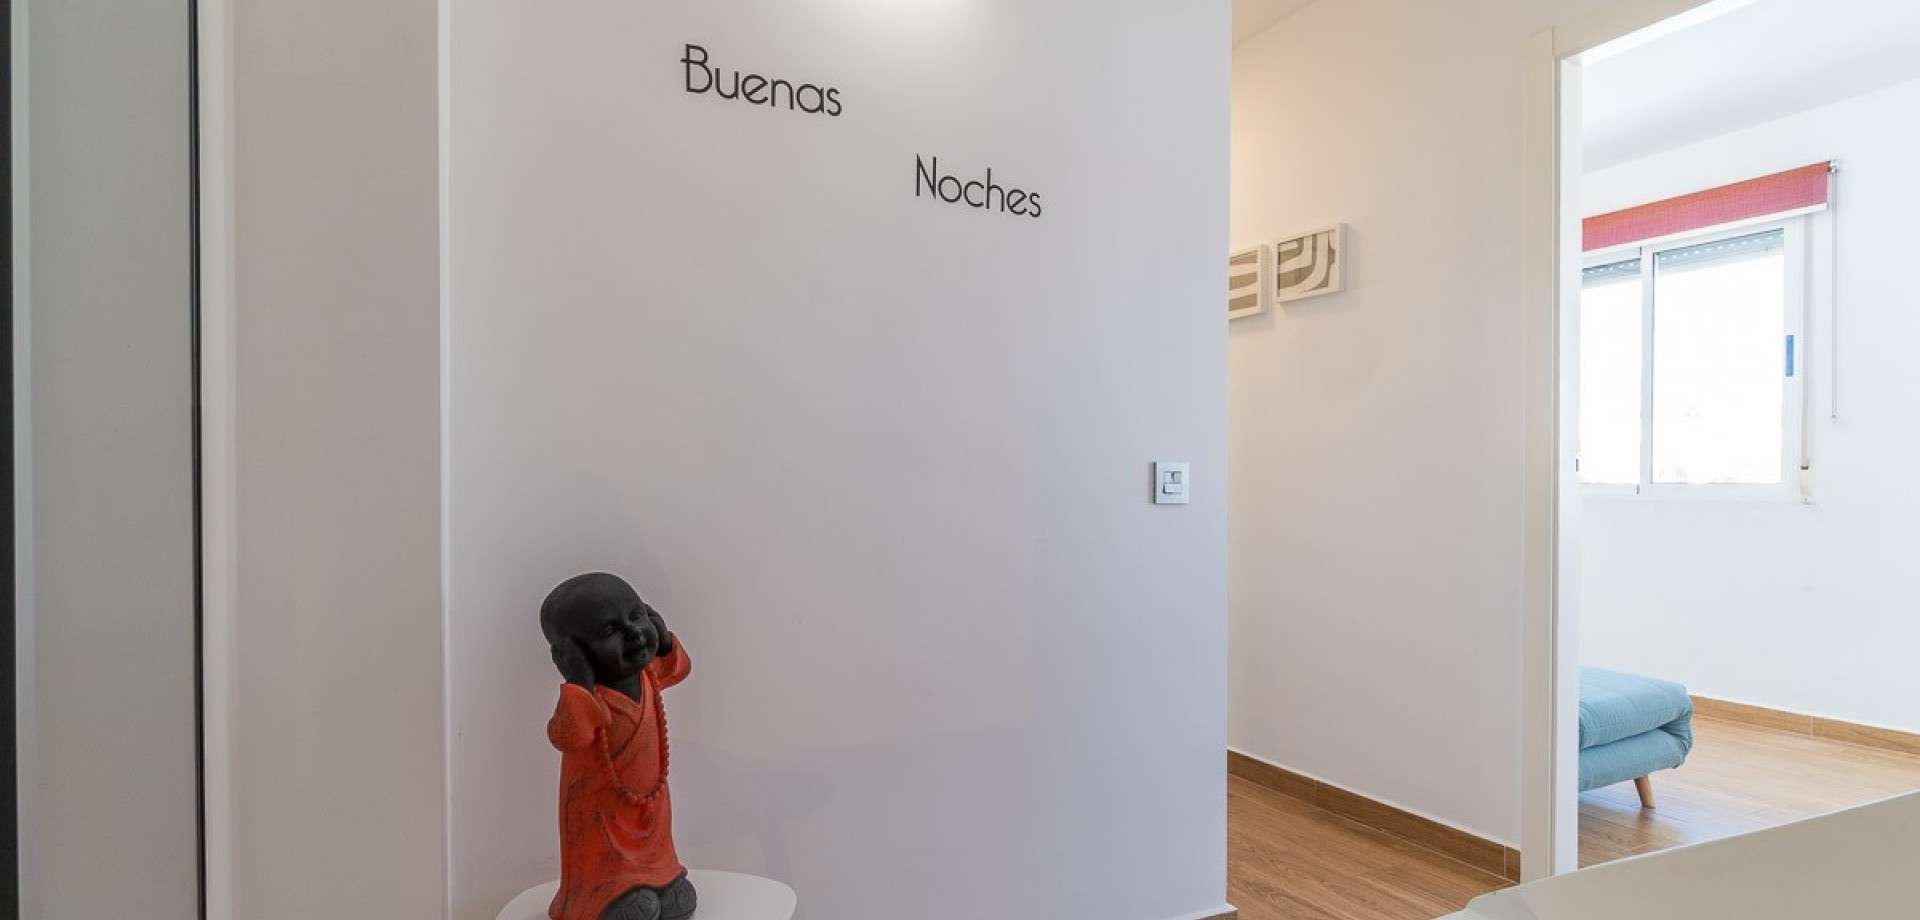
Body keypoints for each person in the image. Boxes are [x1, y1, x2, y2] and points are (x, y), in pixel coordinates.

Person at [540, 573, 697, 920]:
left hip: (649, 805)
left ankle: (661, 877)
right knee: (628, 899)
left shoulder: (648, 675)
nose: (634, 633)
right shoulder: (589, 698)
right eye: (610, 631)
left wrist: (664, 641)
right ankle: (604, 894)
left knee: (678, 897)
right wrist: (578, 682)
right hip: (601, 816)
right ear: (575, 652)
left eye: (637, 615)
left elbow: (677, 670)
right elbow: (567, 737)